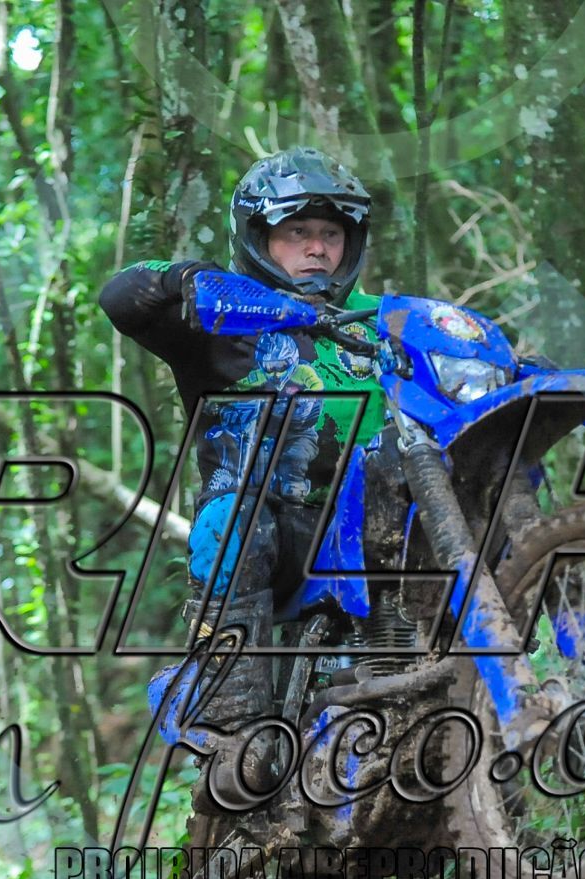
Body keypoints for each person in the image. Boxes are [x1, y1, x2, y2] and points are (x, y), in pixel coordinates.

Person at [99, 146, 387, 729]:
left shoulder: (381, 318)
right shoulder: (224, 314)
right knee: (232, 519)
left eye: (331, 234)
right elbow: (119, 297)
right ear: (259, 237)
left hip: (369, 524)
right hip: (272, 535)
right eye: (298, 231)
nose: (317, 248)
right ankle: (232, 717)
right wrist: (189, 280)